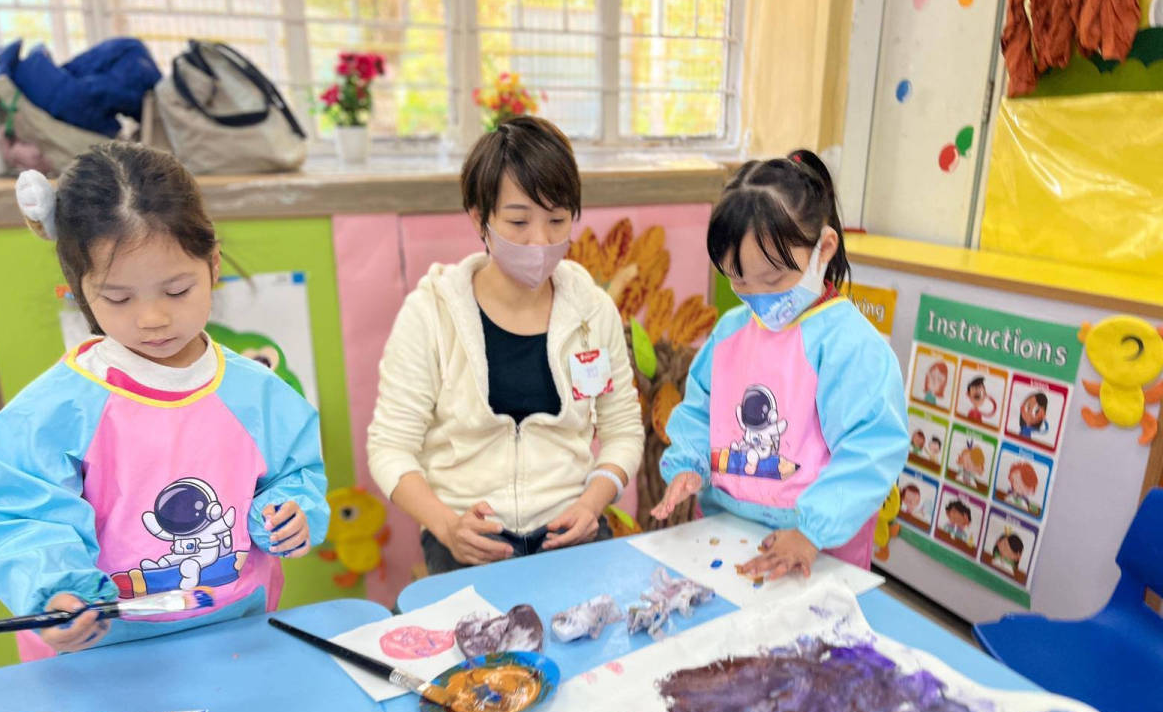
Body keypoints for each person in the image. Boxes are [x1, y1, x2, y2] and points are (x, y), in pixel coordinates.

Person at [0, 143, 329, 659]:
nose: (153, 319)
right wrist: (56, 591)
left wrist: (289, 512)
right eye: (118, 298)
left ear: (213, 264)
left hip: (233, 635)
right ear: (79, 288)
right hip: (103, 654)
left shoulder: (259, 393)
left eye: (177, 291)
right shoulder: (53, 412)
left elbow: (295, 475)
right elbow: (22, 519)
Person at [368, 117, 643, 574]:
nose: (540, 241)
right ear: (480, 218)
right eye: (518, 221)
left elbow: (624, 431)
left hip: (569, 528)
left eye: (557, 221)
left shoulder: (592, 311)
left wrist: (592, 504)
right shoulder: (431, 314)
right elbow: (390, 447)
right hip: (470, 536)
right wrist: (447, 526)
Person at [651, 150, 907, 580]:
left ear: (824, 248)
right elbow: (699, 411)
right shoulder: (731, 331)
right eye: (739, 280)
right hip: (726, 527)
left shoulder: (849, 345)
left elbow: (871, 448)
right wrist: (689, 465)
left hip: (817, 544)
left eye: (773, 280)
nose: (758, 297)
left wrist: (810, 532)